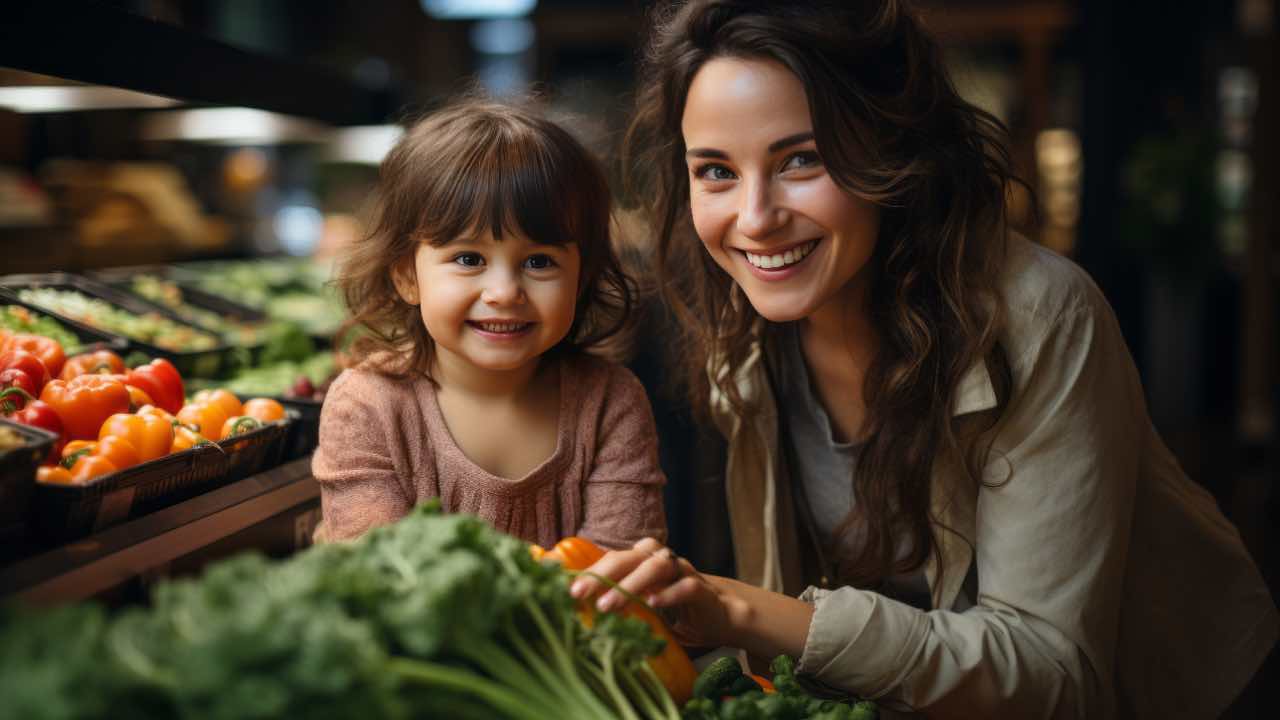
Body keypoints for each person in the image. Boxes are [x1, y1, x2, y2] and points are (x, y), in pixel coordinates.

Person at [571, 1, 1278, 717]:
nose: (754, 218)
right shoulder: (745, 326)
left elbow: (1051, 675)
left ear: (890, 149)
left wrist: (742, 612)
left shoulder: (1042, 317)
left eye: (803, 159)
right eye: (716, 171)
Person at [312, 99, 668, 551]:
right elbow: (383, 582)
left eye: (539, 261)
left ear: (582, 278)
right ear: (406, 275)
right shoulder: (366, 406)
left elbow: (623, 578)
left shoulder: (610, 404)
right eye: (468, 259)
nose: (504, 292)